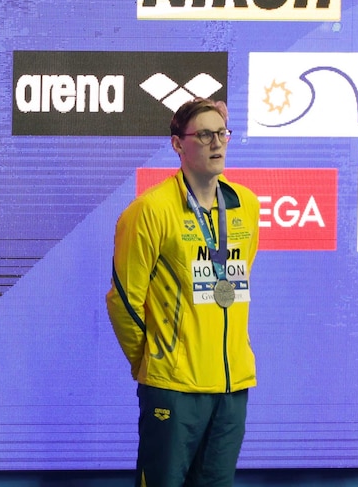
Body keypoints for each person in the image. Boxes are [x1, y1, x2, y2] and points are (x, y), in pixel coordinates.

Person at [106, 97, 260, 487]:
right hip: (173, 389)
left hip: (231, 387)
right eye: (204, 134)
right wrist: (154, 362)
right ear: (177, 144)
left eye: (221, 133)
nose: (216, 143)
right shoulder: (150, 211)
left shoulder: (247, 207)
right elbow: (123, 301)